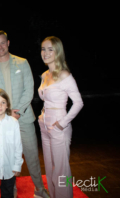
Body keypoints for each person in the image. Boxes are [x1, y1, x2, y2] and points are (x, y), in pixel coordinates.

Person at [0, 30, 49, 198]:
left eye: (2, 42)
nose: (0, 46)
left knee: (32, 155)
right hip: (2, 122)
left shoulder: (22, 63)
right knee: (7, 158)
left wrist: (17, 112)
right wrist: (6, 115)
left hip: (24, 118)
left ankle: (40, 189)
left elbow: (29, 89)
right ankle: (10, 191)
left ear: (8, 43)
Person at [38, 36, 83, 198]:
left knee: (61, 170)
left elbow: (78, 103)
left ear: (58, 52)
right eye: (43, 49)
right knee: (49, 168)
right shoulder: (45, 75)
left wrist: (62, 123)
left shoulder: (65, 75)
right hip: (44, 123)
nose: (46, 52)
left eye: (50, 49)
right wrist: (42, 117)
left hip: (58, 124)